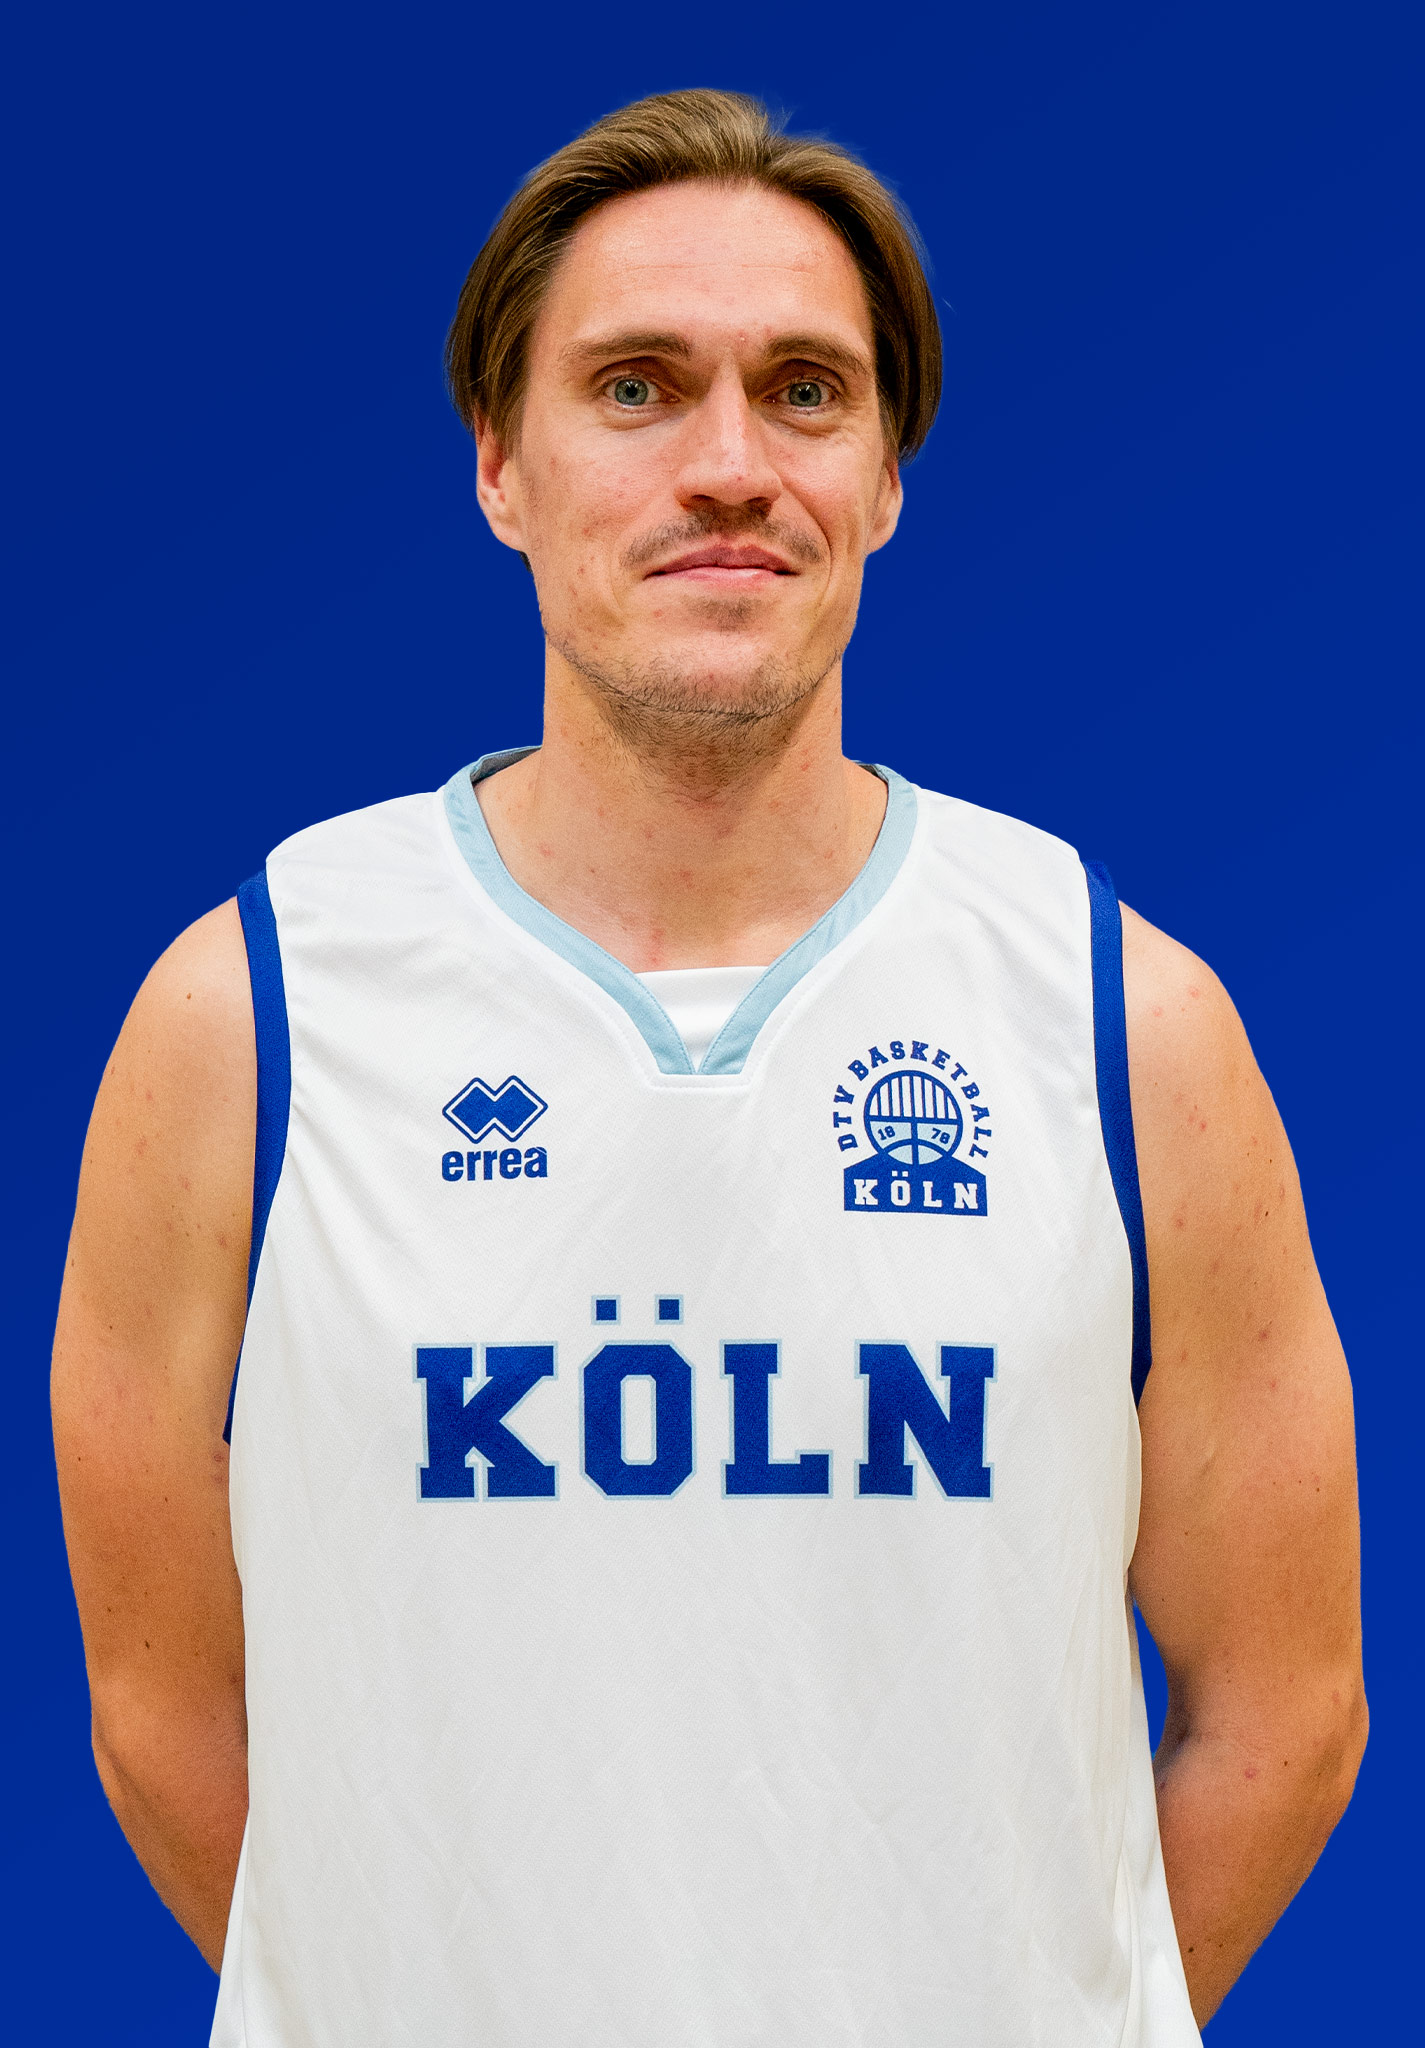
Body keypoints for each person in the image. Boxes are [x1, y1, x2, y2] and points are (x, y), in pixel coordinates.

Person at [52, 89, 1365, 2046]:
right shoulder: (249, 1014)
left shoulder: (1124, 1019)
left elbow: (1284, 1706)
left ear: (887, 476)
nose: (730, 466)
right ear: (500, 465)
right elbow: (160, 1707)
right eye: (637, 389)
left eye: (805, 392)